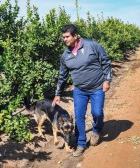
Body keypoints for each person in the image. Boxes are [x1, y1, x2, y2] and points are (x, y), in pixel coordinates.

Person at [52, 24, 113, 157]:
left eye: (67, 37)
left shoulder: (91, 45)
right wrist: (58, 94)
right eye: (63, 37)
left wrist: (107, 80)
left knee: (97, 112)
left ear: (75, 36)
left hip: (97, 86)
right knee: (79, 116)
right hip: (79, 90)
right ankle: (81, 143)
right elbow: (62, 75)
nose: (65, 39)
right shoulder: (65, 55)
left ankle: (96, 130)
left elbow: (105, 61)